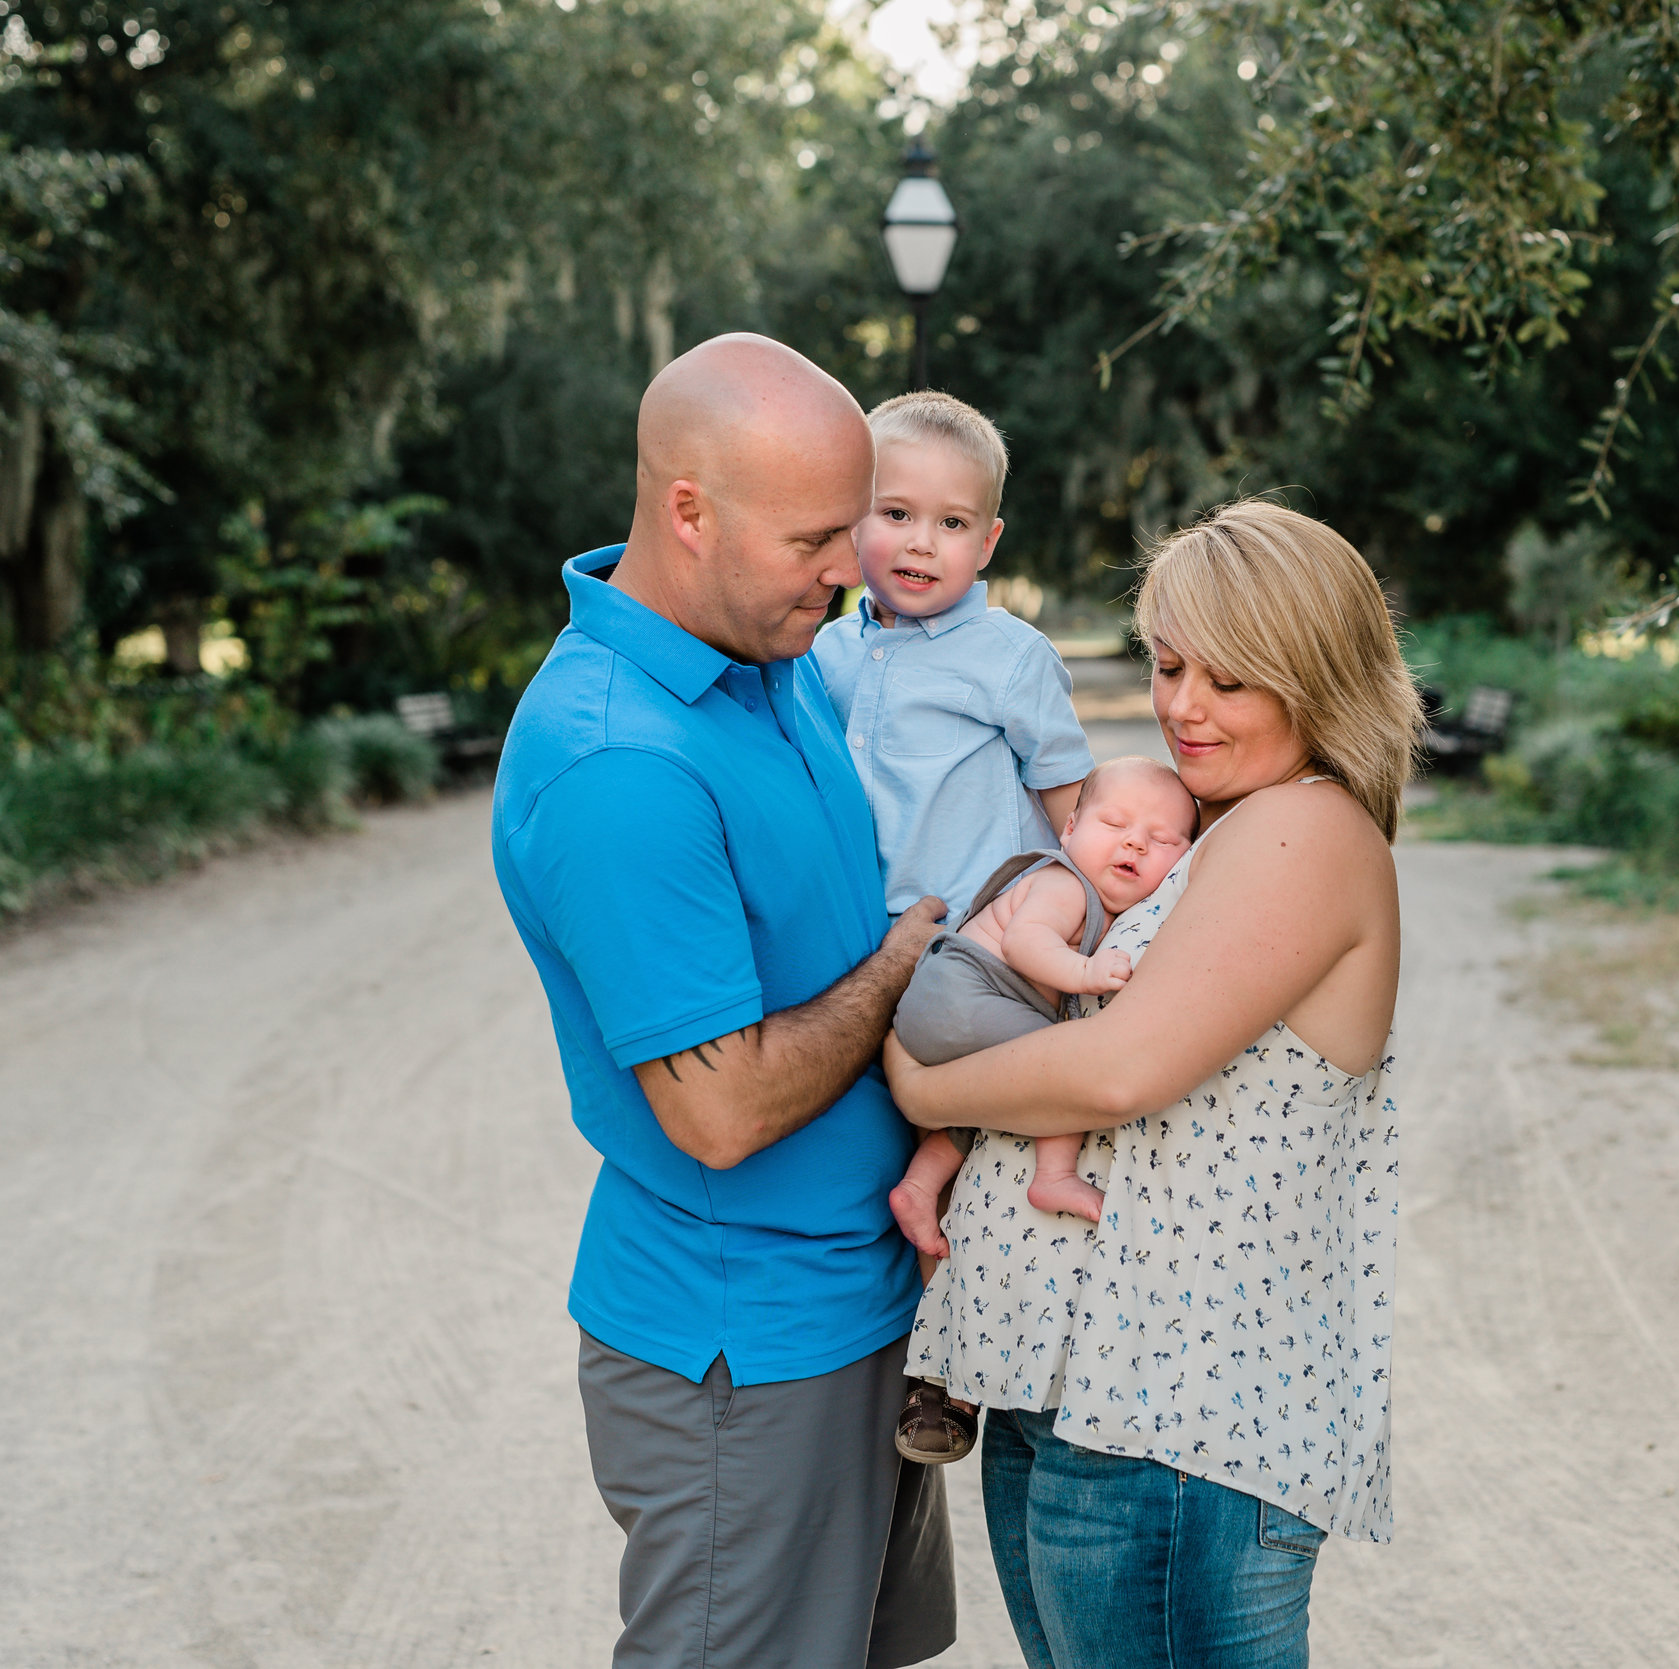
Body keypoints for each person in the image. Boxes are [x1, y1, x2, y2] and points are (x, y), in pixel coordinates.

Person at [885, 500, 1424, 1669]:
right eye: (1170, 665)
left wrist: (925, 1085)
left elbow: (1119, 1068)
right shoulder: (1215, 830)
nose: (1181, 706)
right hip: (1089, 1402)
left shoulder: (1303, 831)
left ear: (1318, 676)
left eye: (1230, 681)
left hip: (1176, 1427)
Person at [490, 333, 955, 1669]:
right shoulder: (617, 762)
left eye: (854, 528)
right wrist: (902, 963)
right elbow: (724, 1107)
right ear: (687, 511)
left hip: (853, 1306)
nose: (849, 570)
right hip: (741, 1351)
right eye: (815, 536)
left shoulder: (773, 660)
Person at [882, 757, 1197, 1470]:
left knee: (984, 1104)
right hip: (964, 995)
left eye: (1163, 840)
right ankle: (1054, 1172)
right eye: (1115, 825)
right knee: (1063, 1068)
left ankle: (922, 1185)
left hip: (954, 1012)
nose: (1134, 845)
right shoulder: (1062, 883)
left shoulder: (1104, 896)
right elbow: (1027, 945)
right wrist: (1087, 974)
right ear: (1072, 826)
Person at [810, 389, 1094, 929]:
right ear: (852, 517)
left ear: (988, 543)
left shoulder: (1013, 658)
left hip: (980, 938)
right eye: (896, 513)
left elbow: (1075, 815)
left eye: (953, 524)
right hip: (859, 933)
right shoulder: (825, 651)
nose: (923, 543)